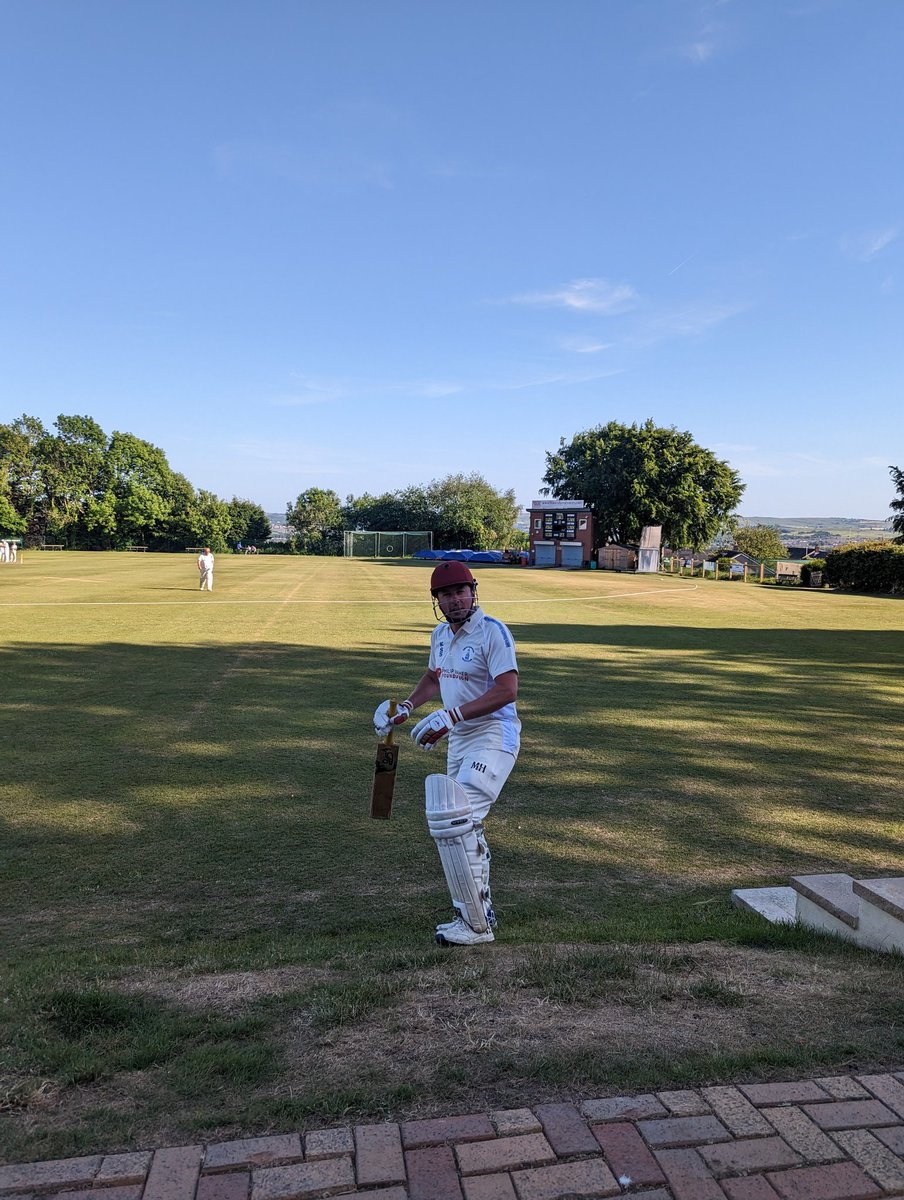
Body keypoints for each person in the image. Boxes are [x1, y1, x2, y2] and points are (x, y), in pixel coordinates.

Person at [373, 561, 520, 947]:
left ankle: (475, 925)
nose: (455, 600)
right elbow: (434, 677)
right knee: (463, 825)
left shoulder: (493, 632)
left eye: (461, 591)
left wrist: (452, 715)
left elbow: (507, 690)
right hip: (459, 741)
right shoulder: (440, 634)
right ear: (436, 600)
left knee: (453, 818)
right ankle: (478, 914)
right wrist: (405, 707)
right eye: (446, 594)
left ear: (473, 590)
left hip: (493, 734)